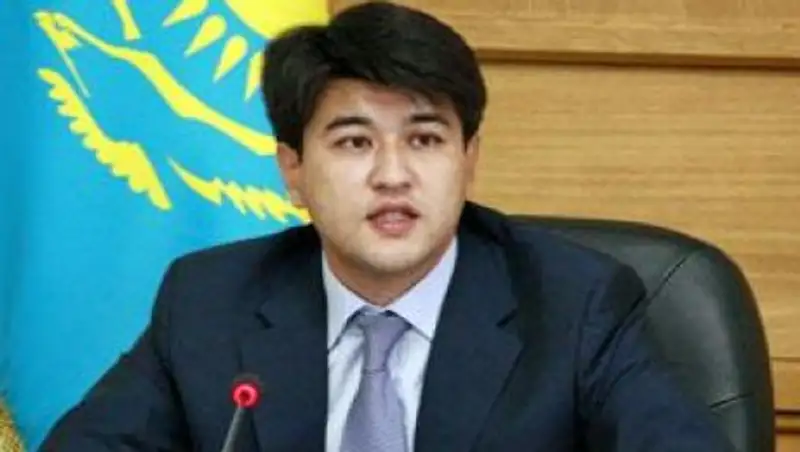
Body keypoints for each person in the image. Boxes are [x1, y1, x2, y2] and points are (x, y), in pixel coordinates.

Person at [41, 2, 736, 451]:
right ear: (293, 169)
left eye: (425, 140)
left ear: (468, 160)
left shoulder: (575, 303)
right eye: (353, 142)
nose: (393, 174)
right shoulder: (209, 301)